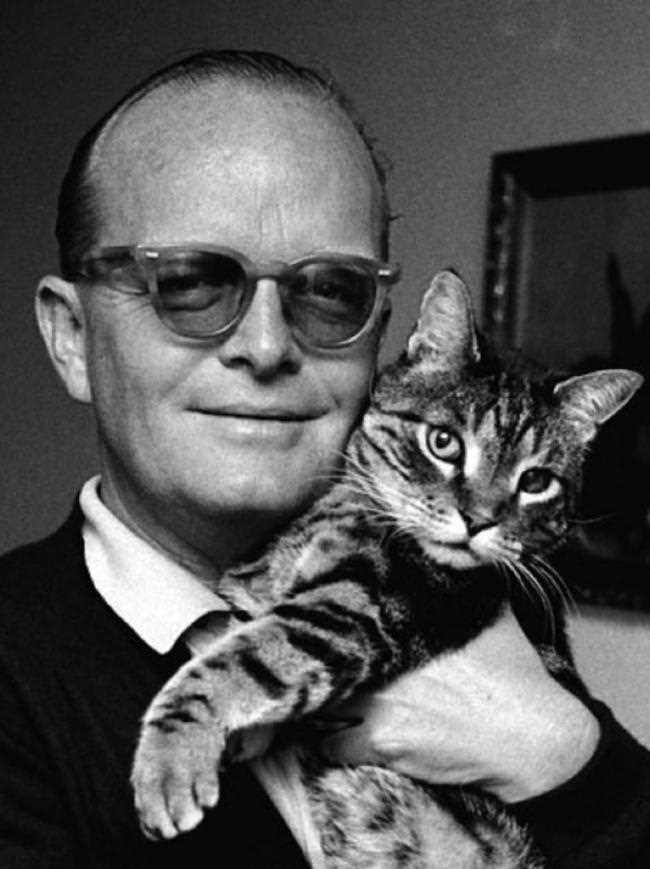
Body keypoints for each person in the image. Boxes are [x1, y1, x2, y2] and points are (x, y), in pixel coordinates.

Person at [2, 49, 649, 868]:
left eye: (330, 290)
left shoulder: (499, 609)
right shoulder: (19, 675)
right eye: (191, 281)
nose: (267, 345)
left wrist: (569, 760)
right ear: (71, 336)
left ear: (382, 333)